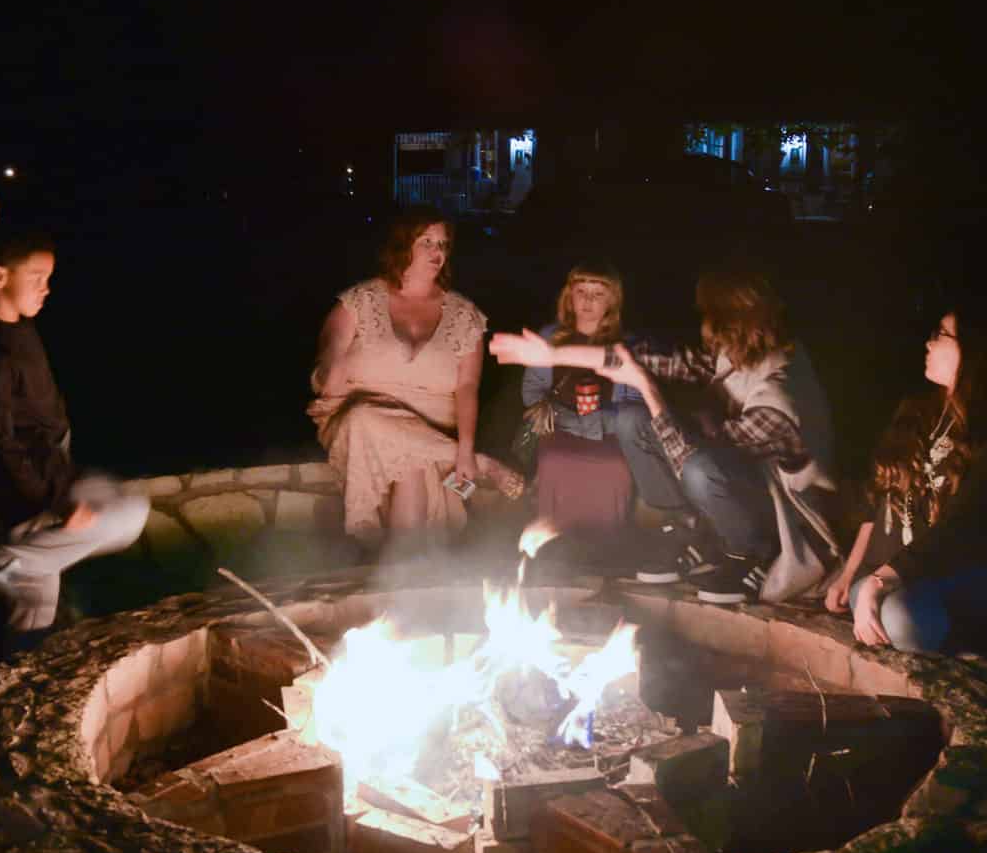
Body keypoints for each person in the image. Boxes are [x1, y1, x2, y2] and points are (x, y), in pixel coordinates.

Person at [490, 265, 838, 604]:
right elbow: (643, 360)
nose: (703, 327)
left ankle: (748, 554)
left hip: (783, 515)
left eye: (709, 318)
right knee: (632, 419)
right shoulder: (744, 354)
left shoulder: (779, 403)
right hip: (744, 481)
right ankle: (688, 526)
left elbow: (690, 458)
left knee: (699, 467)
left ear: (731, 325)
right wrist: (553, 354)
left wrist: (643, 385)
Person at [823, 309, 987, 674]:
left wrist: (878, 582)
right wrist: (852, 576)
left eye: (940, 334)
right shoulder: (913, 412)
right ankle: (960, 656)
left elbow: (964, 523)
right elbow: (874, 503)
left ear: (973, 353)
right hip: (892, 578)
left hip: (963, 570)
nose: (928, 343)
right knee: (904, 621)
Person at [0, 228, 148, 650]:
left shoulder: (21, 331)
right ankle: (7, 561)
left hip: (54, 471)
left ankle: (12, 680)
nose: (46, 288)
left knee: (33, 615)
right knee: (129, 513)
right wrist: (54, 497)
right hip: (31, 490)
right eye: (36, 277)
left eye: (49, 278)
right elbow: (0, 441)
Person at [309, 209, 522, 551]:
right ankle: (413, 570)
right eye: (426, 242)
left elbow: (467, 388)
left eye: (443, 244)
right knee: (365, 417)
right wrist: (335, 369)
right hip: (359, 426)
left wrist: (466, 448)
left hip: (431, 428)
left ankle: (404, 573)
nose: (437, 252)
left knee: (411, 467)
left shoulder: (465, 316)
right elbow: (328, 375)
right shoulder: (357, 303)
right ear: (401, 244)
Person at [518, 263, 641, 540]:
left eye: (598, 294)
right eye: (581, 291)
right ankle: (553, 542)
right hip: (561, 426)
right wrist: (550, 413)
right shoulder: (550, 337)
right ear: (569, 297)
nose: (587, 300)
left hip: (610, 431)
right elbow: (532, 388)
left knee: (614, 467)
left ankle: (605, 544)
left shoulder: (626, 344)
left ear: (612, 301)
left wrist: (598, 422)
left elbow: (634, 400)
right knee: (554, 460)